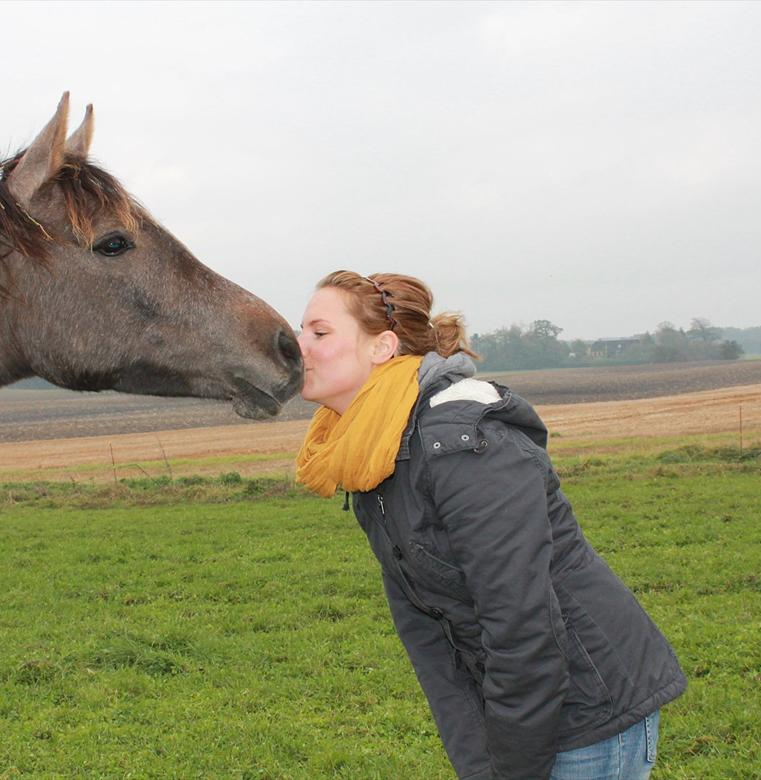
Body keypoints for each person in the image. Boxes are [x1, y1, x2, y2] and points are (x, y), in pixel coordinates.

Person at [294, 271, 686, 780]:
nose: (298, 345)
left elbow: (522, 627)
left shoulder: (462, 444)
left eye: (319, 333)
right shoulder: (373, 452)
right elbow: (427, 628)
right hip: (520, 710)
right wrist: (480, 763)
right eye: (301, 330)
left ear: (382, 347)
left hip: (590, 711)